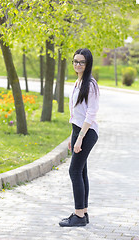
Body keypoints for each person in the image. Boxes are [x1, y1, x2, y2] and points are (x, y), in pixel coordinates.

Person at [59, 48, 99, 227]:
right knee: (81, 171)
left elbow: (91, 113)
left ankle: (79, 216)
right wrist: (72, 136)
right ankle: (83, 212)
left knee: (74, 171)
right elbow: (77, 114)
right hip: (78, 130)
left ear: (88, 63)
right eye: (75, 61)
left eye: (82, 62)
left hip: (87, 132)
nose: (78, 64)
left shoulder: (90, 84)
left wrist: (80, 137)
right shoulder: (78, 82)